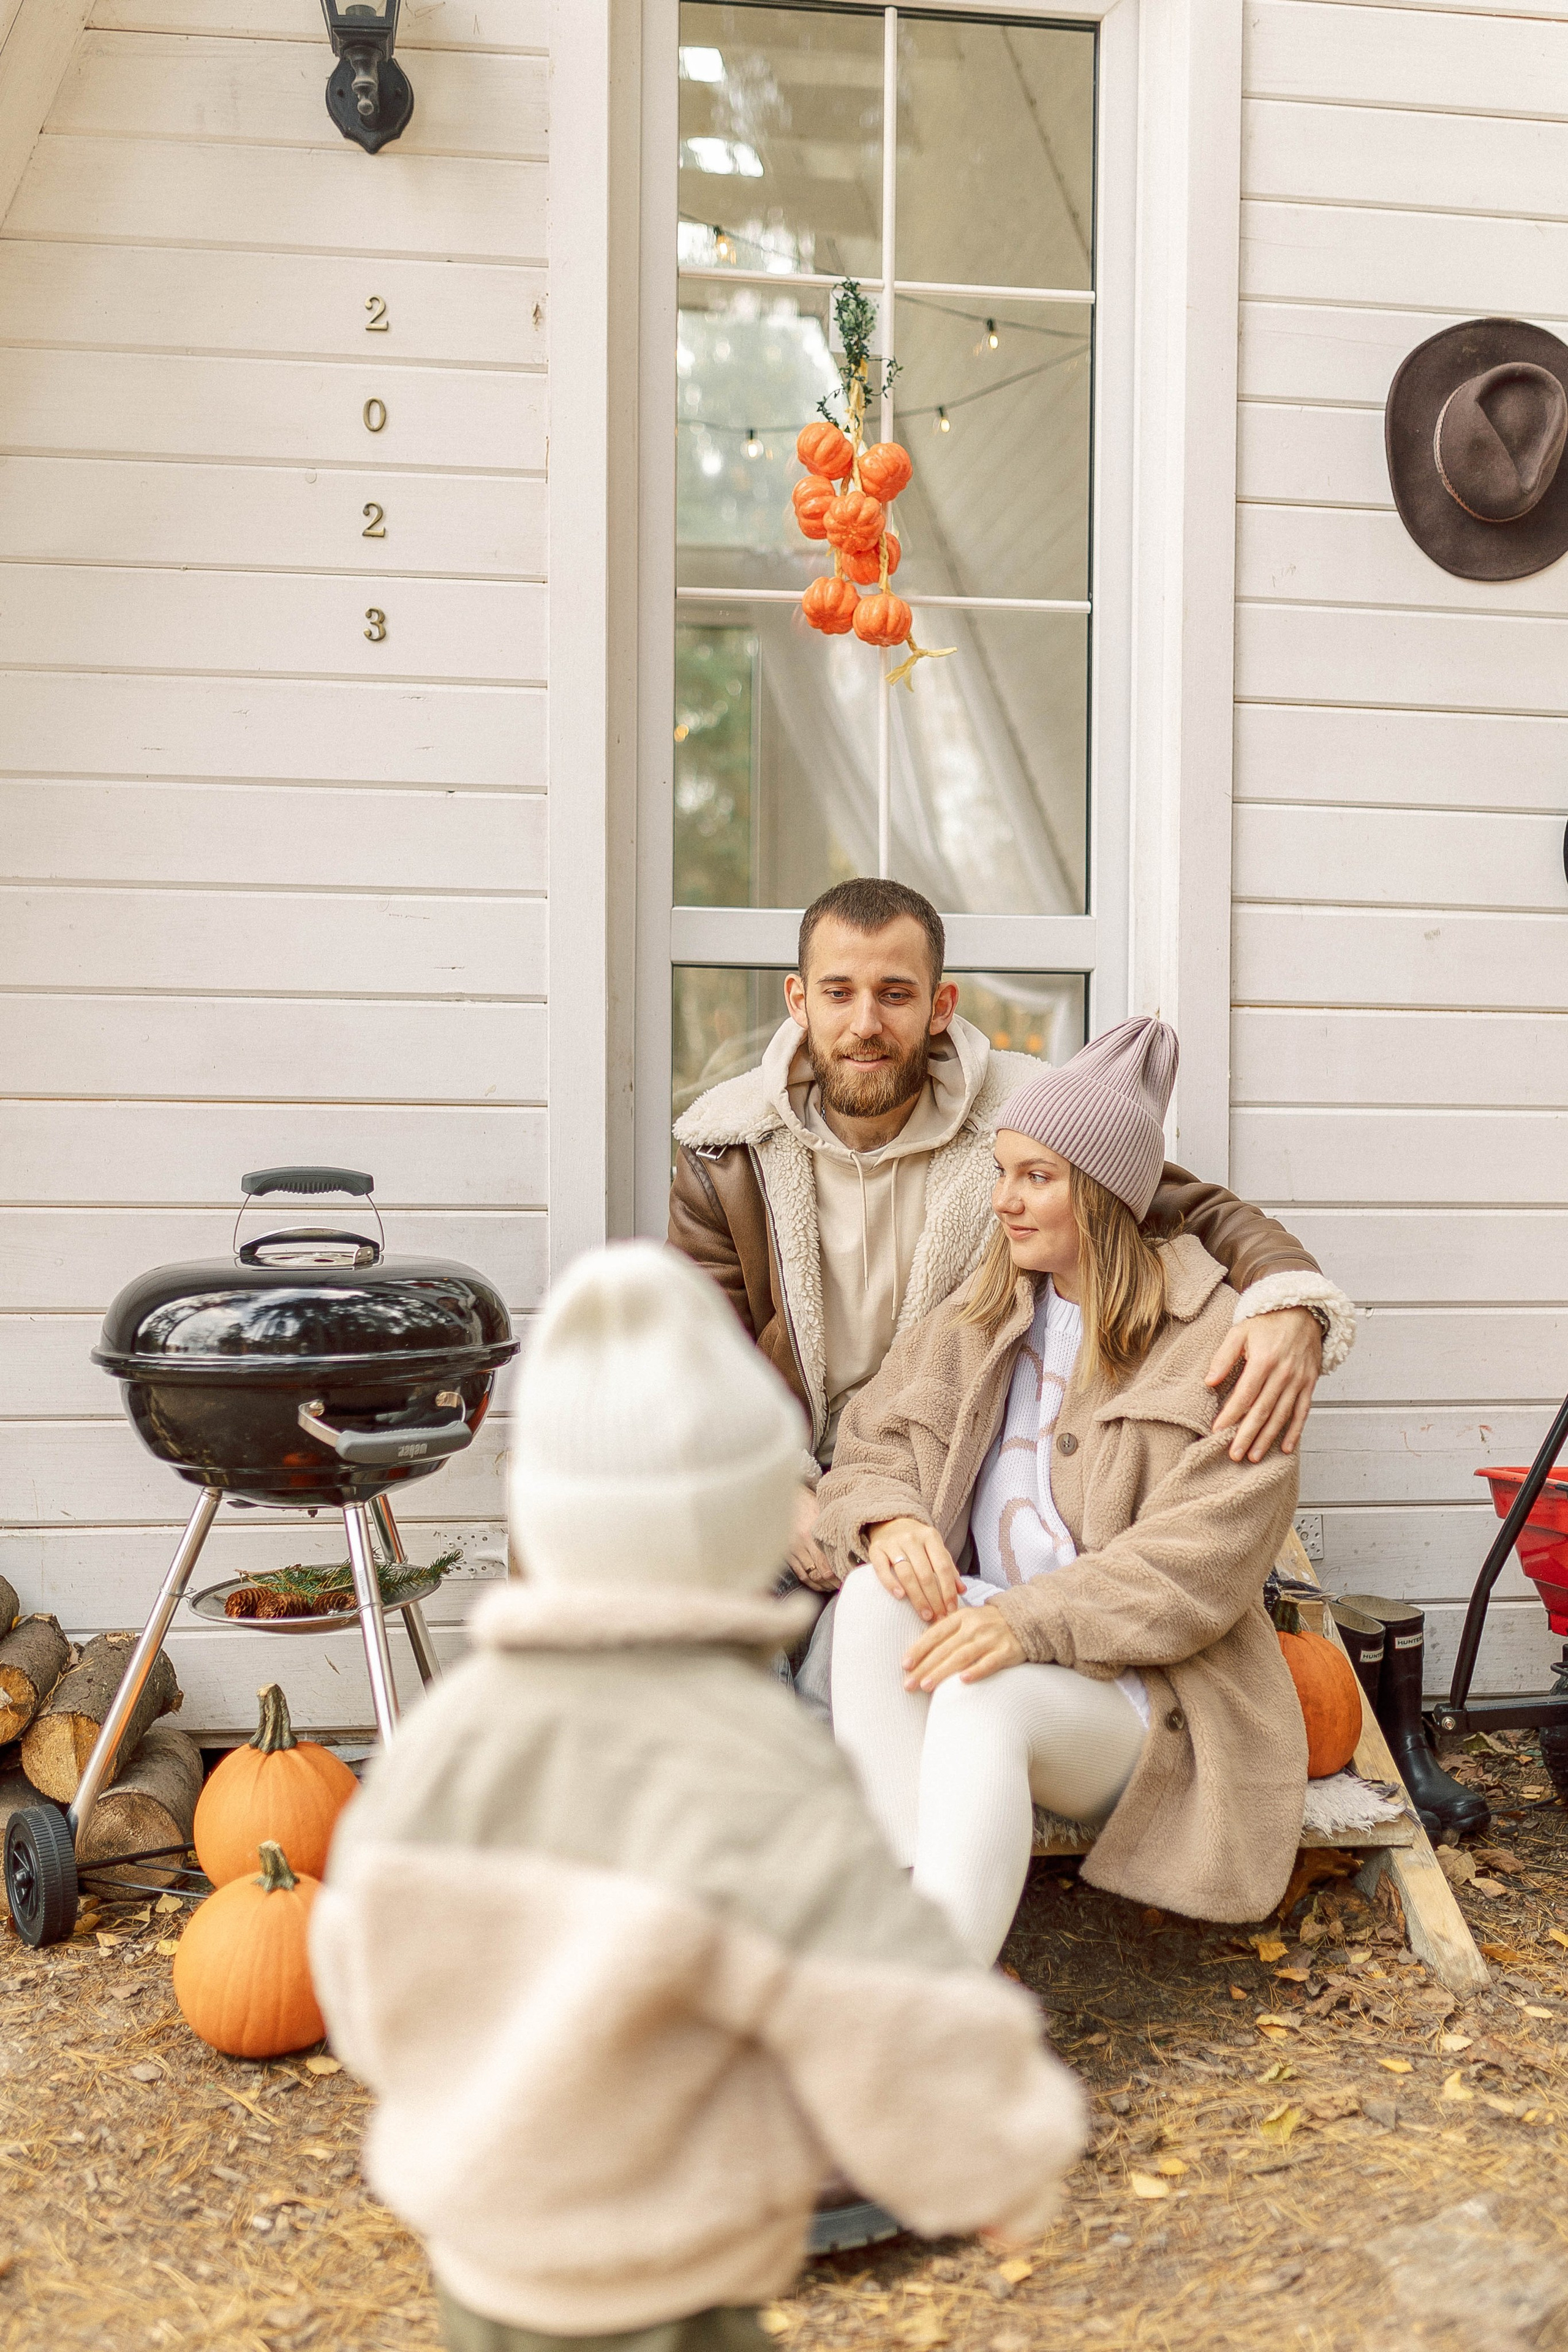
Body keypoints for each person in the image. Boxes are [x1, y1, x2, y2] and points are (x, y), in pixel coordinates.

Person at [309, 1245, 1088, 2352]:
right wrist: (992, 2150)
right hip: (662, 2268)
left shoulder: (452, 1731)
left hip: (484, 2257)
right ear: (744, 1523)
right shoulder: (752, 1761)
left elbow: (358, 1951)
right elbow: (876, 1999)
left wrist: (453, 2095)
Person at [669, 878, 1353, 1602]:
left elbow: (1186, 1205)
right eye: (838, 993)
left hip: (950, 1481)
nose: (865, 1023)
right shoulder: (728, 1151)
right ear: (799, 1001)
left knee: (862, 1660)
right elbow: (692, 1363)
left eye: (895, 994)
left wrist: (1289, 1303)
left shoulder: (1015, 1119)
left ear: (940, 1007)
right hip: (790, 1487)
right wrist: (786, 1496)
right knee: (702, 1645)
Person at [814, 1019, 1308, 1969]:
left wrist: (1032, 1624)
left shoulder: (1217, 1344)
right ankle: (898, 1928)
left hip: (1149, 1701)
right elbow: (874, 1436)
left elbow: (1195, 1572)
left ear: (1105, 1191)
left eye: (1035, 1177)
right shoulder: (990, 1308)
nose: (1003, 1201)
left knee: (981, 1701)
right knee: (878, 1591)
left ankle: (939, 2016)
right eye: (1002, 1172)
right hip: (997, 1634)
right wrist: (887, 1514)